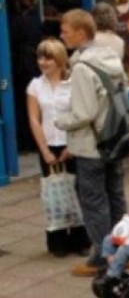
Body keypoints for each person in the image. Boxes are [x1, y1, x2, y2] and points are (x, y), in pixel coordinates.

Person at [55, 9, 129, 278]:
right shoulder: (110, 58)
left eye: (65, 30)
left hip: (91, 145)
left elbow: (83, 113)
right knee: (116, 196)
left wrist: (60, 121)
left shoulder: (84, 67)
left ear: (81, 32)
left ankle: (102, 256)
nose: (61, 34)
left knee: (94, 201)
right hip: (114, 138)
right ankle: (124, 251)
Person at [27, 38, 91, 257]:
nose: (43, 62)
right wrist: (44, 150)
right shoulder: (35, 85)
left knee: (77, 191)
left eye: (48, 58)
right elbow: (34, 119)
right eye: (40, 57)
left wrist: (72, 146)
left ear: (60, 59)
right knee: (53, 193)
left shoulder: (73, 83)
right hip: (49, 144)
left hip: (72, 143)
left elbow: (81, 115)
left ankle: (81, 239)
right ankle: (58, 241)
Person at [9, 0, 43, 152]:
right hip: (34, 64)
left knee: (23, 104)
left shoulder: (16, 23)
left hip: (22, 66)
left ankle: (25, 142)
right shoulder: (36, 20)